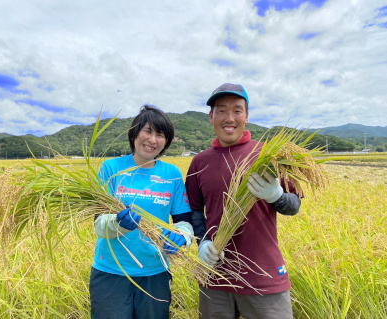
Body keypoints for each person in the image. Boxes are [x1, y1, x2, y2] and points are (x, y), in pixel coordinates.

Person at [185, 83, 301, 319]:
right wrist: (203, 242)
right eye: (221, 110)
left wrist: (276, 196)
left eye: (237, 110)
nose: (229, 118)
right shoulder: (199, 162)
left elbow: (294, 205)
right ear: (211, 117)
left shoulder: (270, 155)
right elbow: (194, 211)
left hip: (264, 277)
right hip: (215, 277)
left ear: (247, 116)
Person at [90, 105, 194, 319]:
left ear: (166, 141)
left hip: (155, 270)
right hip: (112, 270)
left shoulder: (171, 174)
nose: (152, 140)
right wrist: (117, 223)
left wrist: (182, 236)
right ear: (135, 133)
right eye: (147, 131)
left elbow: (183, 219)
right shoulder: (111, 169)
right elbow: (98, 221)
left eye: (160, 135)